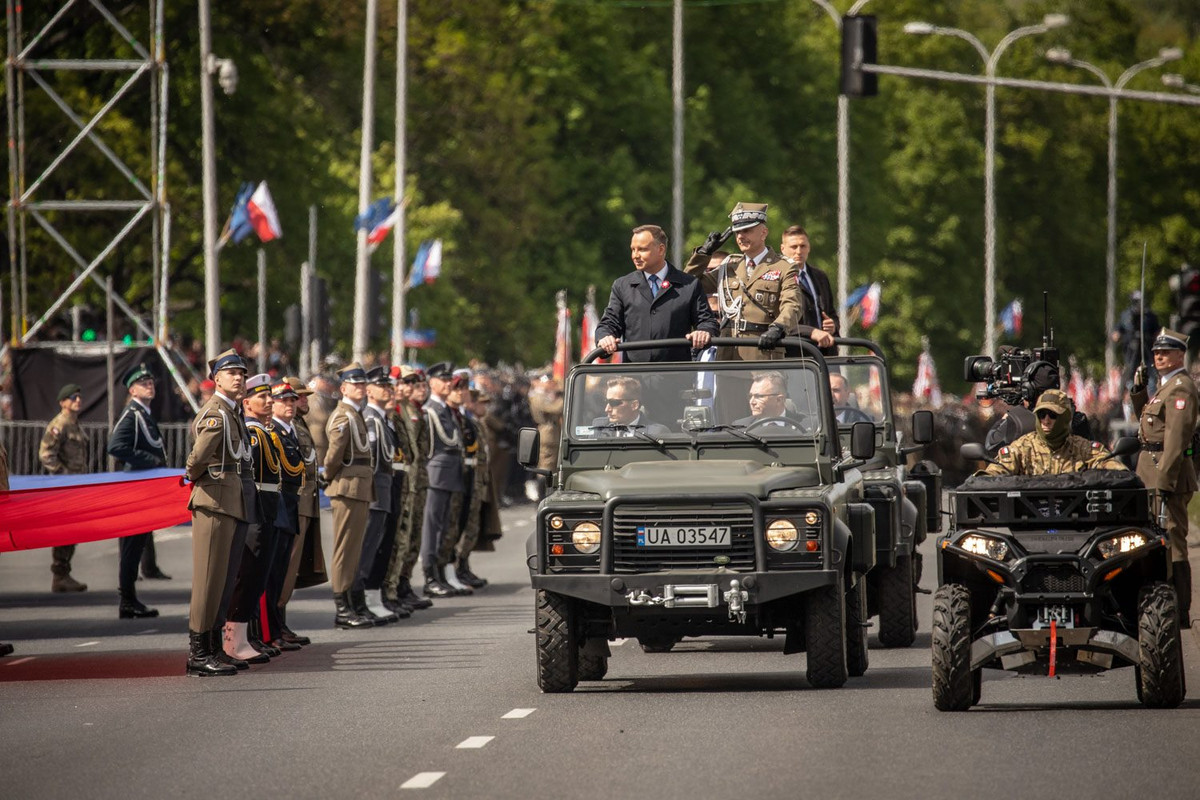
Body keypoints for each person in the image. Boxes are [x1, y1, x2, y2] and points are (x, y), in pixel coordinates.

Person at [183, 349, 251, 677]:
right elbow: (196, 460)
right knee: (208, 580)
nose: (238, 377)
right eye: (231, 373)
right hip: (213, 501)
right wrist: (199, 479)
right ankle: (198, 652)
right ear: (217, 379)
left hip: (229, 502)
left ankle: (212, 647)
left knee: (222, 581)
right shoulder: (217, 413)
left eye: (242, 372)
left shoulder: (233, 412)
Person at [1131, 328, 1198, 627]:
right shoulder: (1165, 386)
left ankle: (1181, 609)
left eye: (1166, 351)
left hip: (1165, 472)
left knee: (1173, 539)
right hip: (1152, 470)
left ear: (1180, 355)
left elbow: (1176, 438)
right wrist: (1138, 391)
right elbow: (1148, 424)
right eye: (1157, 351)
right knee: (1156, 539)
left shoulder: (1181, 387)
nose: (1158, 356)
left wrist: (1165, 481)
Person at [684, 202, 802, 362]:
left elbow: (793, 305)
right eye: (737, 231)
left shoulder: (783, 267)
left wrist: (778, 328)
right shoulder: (729, 266)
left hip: (763, 353)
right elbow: (688, 285)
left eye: (747, 230)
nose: (740, 236)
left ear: (763, 232)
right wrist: (704, 253)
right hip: (728, 357)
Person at [223, 373, 285, 664]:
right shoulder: (251, 431)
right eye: (262, 397)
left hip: (268, 504)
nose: (269, 401)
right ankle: (232, 638)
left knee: (259, 574)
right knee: (248, 574)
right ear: (246, 403)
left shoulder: (263, 432)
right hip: (257, 505)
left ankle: (245, 635)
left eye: (270, 396)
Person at [596, 224, 717, 361]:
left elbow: (707, 321)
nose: (635, 255)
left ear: (660, 249)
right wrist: (605, 337)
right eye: (633, 249)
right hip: (634, 377)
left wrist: (704, 332)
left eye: (642, 249)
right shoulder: (622, 286)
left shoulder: (689, 284)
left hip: (676, 375)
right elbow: (609, 323)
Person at [106, 363, 164, 619]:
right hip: (135, 488)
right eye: (143, 383)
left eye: (151, 382)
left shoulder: (144, 413)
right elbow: (116, 445)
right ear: (132, 389)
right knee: (131, 547)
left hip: (144, 488)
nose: (149, 385)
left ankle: (129, 599)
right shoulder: (132, 414)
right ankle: (127, 600)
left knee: (136, 546)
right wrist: (147, 460)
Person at [324, 361, 376, 629]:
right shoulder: (344, 416)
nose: (361, 388)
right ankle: (342, 605)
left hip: (358, 486)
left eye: (362, 383)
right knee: (345, 549)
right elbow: (333, 456)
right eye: (355, 384)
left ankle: (352, 601)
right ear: (343, 387)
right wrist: (329, 477)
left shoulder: (355, 414)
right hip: (347, 486)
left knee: (354, 548)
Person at [275, 376, 326, 645]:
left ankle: (279, 623)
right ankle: (274, 625)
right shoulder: (284, 426)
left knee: (291, 567)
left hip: (305, 501)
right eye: (297, 397)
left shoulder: (298, 424)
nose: (302, 401)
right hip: (295, 503)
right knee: (285, 567)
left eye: (301, 398)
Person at [383, 367, 434, 613]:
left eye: (411, 383)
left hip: (415, 481)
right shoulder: (394, 412)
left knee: (411, 537)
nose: (408, 387)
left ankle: (401, 584)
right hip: (402, 483)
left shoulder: (408, 411)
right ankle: (389, 589)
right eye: (404, 382)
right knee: (398, 538)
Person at [983, 389, 1125, 477]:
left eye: (1052, 415)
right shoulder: (1020, 448)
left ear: (1065, 418)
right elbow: (993, 474)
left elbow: (1118, 473)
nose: (1046, 420)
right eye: (1042, 414)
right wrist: (988, 477)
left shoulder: (1084, 449)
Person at [354, 366, 402, 623]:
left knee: (379, 547)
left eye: (389, 386)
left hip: (384, 489)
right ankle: (362, 600)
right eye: (382, 386)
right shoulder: (371, 418)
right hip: (375, 490)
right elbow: (371, 461)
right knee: (368, 547)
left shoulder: (382, 418)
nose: (389, 390)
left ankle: (372, 597)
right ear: (369, 391)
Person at [419, 362, 465, 598]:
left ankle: (438, 572)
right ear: (432, 383)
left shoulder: (445, 409)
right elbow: (427, 447)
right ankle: (429, 576)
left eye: (450, 380)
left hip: (450, 473)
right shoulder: (430, 411)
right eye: (444, 380)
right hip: (436, 474)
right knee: (432, 527)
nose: (449, 384)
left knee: (444, 527)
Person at [39, 383, 89, 593]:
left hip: (75, 486)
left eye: (78, 397)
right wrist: (63, 476)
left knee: (72, 532)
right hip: (65, 487)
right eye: (72, 397)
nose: (77, 400)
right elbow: (46, 455)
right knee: (64, 532)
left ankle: (64, 573)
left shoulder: (74, 424)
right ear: (62, 402)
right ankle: (60, 574)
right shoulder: (59, 424)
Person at [779, 225, 839, 355]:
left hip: (824, 354)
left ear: (809, 247)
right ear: (783, 249)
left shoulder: (820, 277)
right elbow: (778, 320)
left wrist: (832, 325)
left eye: (803, 246)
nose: (799, 251)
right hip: (794, 354)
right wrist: (811, 332)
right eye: (794, 247)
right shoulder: (776, 278)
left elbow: (832, 312)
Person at [1112, 290, 1160, 399]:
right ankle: (1132, 399)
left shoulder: (1150, 316)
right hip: (1131, 349)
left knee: (1150, 374)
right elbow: (1116, 332)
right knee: (1130, 376)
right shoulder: (1126, 315)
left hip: (1147, 349)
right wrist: (1119, 336)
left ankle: (1152, 399)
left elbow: (1157, 331)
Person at [590, 376, 671, 437]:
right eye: (606, 402)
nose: (607, 409)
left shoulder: (656, 432)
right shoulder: (599, 426)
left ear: (634, 405)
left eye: (614, 403)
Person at [733, 371, 808, 430]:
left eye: (758, 396)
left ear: (779, 400)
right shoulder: (740, 427)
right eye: (750, 396)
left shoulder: (806, 425)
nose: (752, 402)